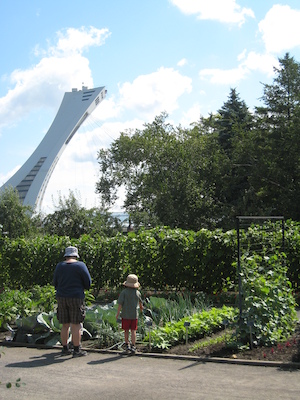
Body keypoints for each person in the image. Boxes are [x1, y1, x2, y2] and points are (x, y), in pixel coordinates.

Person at [53, 246, 91, 357]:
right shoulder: (80, 266)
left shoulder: (59, 266)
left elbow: (55, 282)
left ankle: (65, 348)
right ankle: (76, 349)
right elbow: (88, 282)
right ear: (76, 255)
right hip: (76, 297)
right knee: (76, 324)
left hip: (61, 296)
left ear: (66, 255)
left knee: (65, 324)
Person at [116, 274, 143, 353]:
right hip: (134, 315)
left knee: (126, 330)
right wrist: (141, 309)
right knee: (133, 330)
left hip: (125, 314)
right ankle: (133, 345)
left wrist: (117, 313)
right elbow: (141, 303)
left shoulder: (124, 292)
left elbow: (120, 304)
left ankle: (127, 344)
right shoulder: (137, 293)